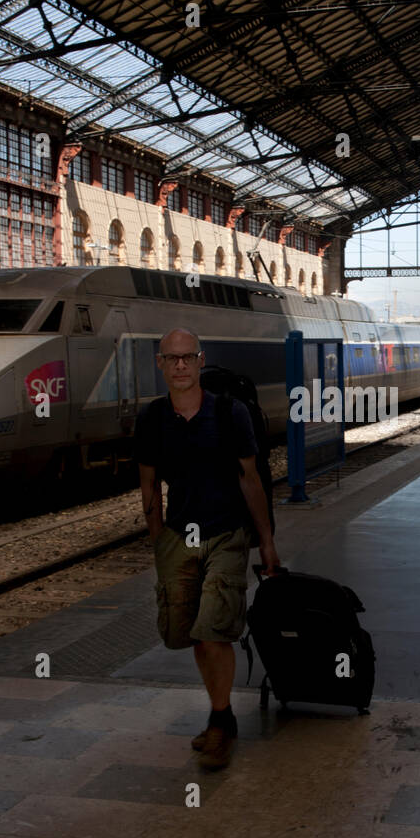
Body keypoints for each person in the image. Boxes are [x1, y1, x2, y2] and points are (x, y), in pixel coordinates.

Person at [134, 328, 280, 771]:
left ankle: (221, 722)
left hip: (226, 533)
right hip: (180, 535)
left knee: (215, 628)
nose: (180, 365)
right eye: (171, 359)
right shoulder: (153, 418)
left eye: (187, 358)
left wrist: (267, 542)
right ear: (160, 365)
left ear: (200, 361)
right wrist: (159, 541)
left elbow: (250, 479)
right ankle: (222, 714)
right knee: (193, 633)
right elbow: (148, 488)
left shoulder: (229, 412)